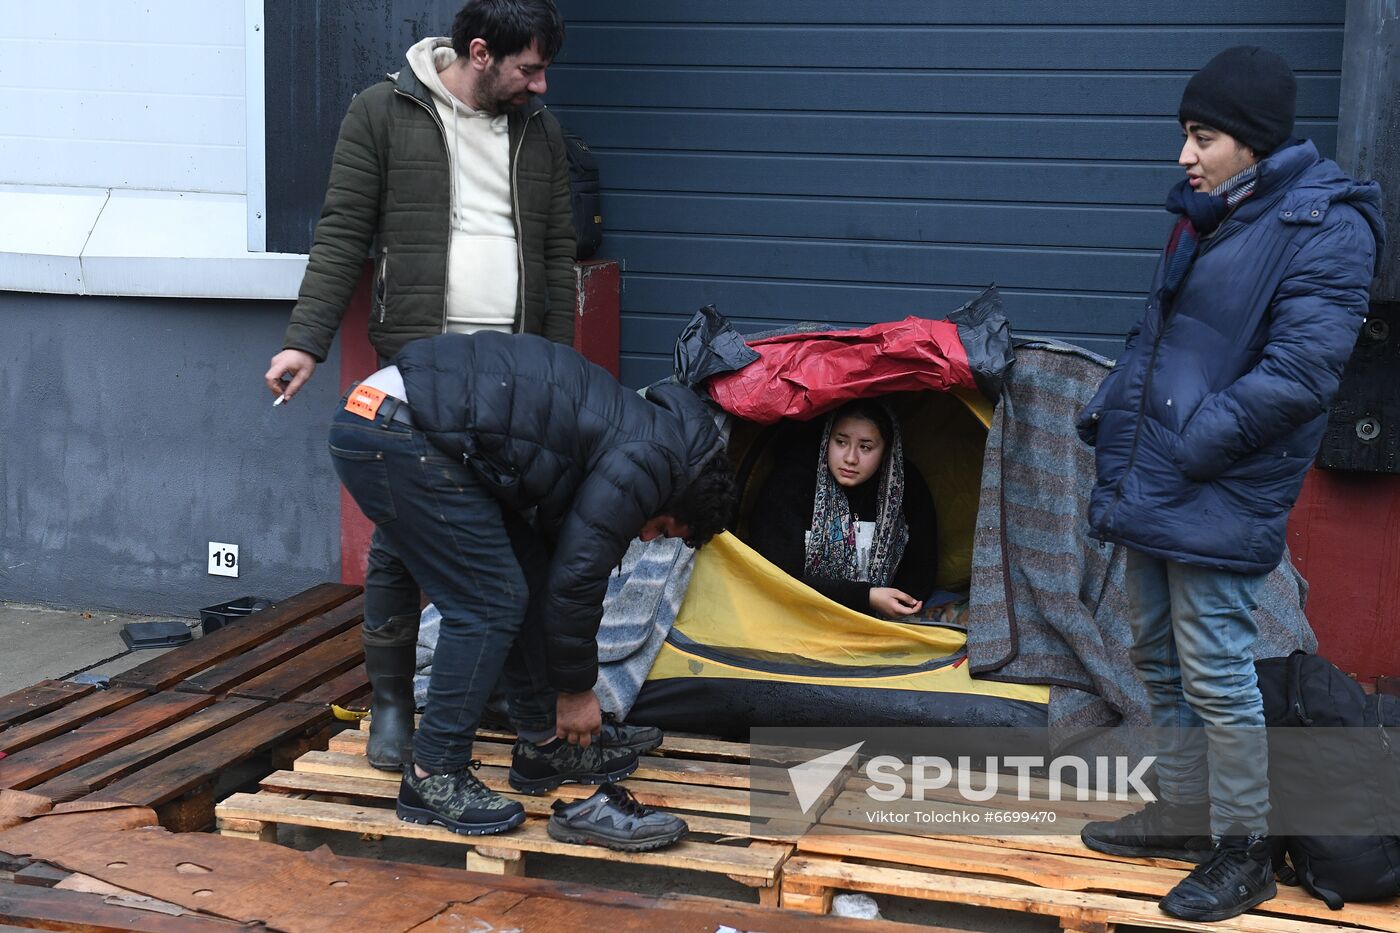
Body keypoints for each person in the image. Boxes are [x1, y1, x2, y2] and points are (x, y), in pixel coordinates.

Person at [1076, 46, 1384, 922]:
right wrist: (1115, 410)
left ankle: (1244, 848)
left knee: (1217, 672)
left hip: (1218, 480)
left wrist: (1194, 439)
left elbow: (1302, 371)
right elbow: (1163, 336)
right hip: (1160, 471)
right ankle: (1183, 810)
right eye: (1184, 134)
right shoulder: (1213, 213)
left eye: (1201, 136)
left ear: (1250, 141)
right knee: (1158, 657)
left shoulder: (1325, 225)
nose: (1185, 155)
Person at [263, 0, 581, 773]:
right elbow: (342, 228)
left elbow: (555, 251)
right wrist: (305, 341)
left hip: (510, 372)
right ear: (479, 52)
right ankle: (395, 705)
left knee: (512, 531)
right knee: (406, 537)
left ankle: (514, 704)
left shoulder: (539, 132)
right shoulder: (383, 111)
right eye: (527, 69)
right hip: (420, 364)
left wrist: (558, 373)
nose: (540, 87)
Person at [329, 330, 738, 841]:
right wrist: (574, 692)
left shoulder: (653, 439)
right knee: (485, 603)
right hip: (398, 431)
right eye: (661, 529)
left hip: (403, 421)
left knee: (518, 579)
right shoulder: (649, 463)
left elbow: (550, 571)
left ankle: (542, 746)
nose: (645, 535)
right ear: (682, 499)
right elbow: (577, 583)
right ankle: (432, 774)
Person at [747, 400, 939, 618]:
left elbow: (921, 572)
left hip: (882, 624)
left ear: (886, 450)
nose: (850, 458)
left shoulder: (905, 486)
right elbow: (775, 578)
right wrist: (865, 598)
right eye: (841, 442)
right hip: (795, 615)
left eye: (865, 447)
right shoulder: (792, 482)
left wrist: (898, 606)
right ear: (827, 439)